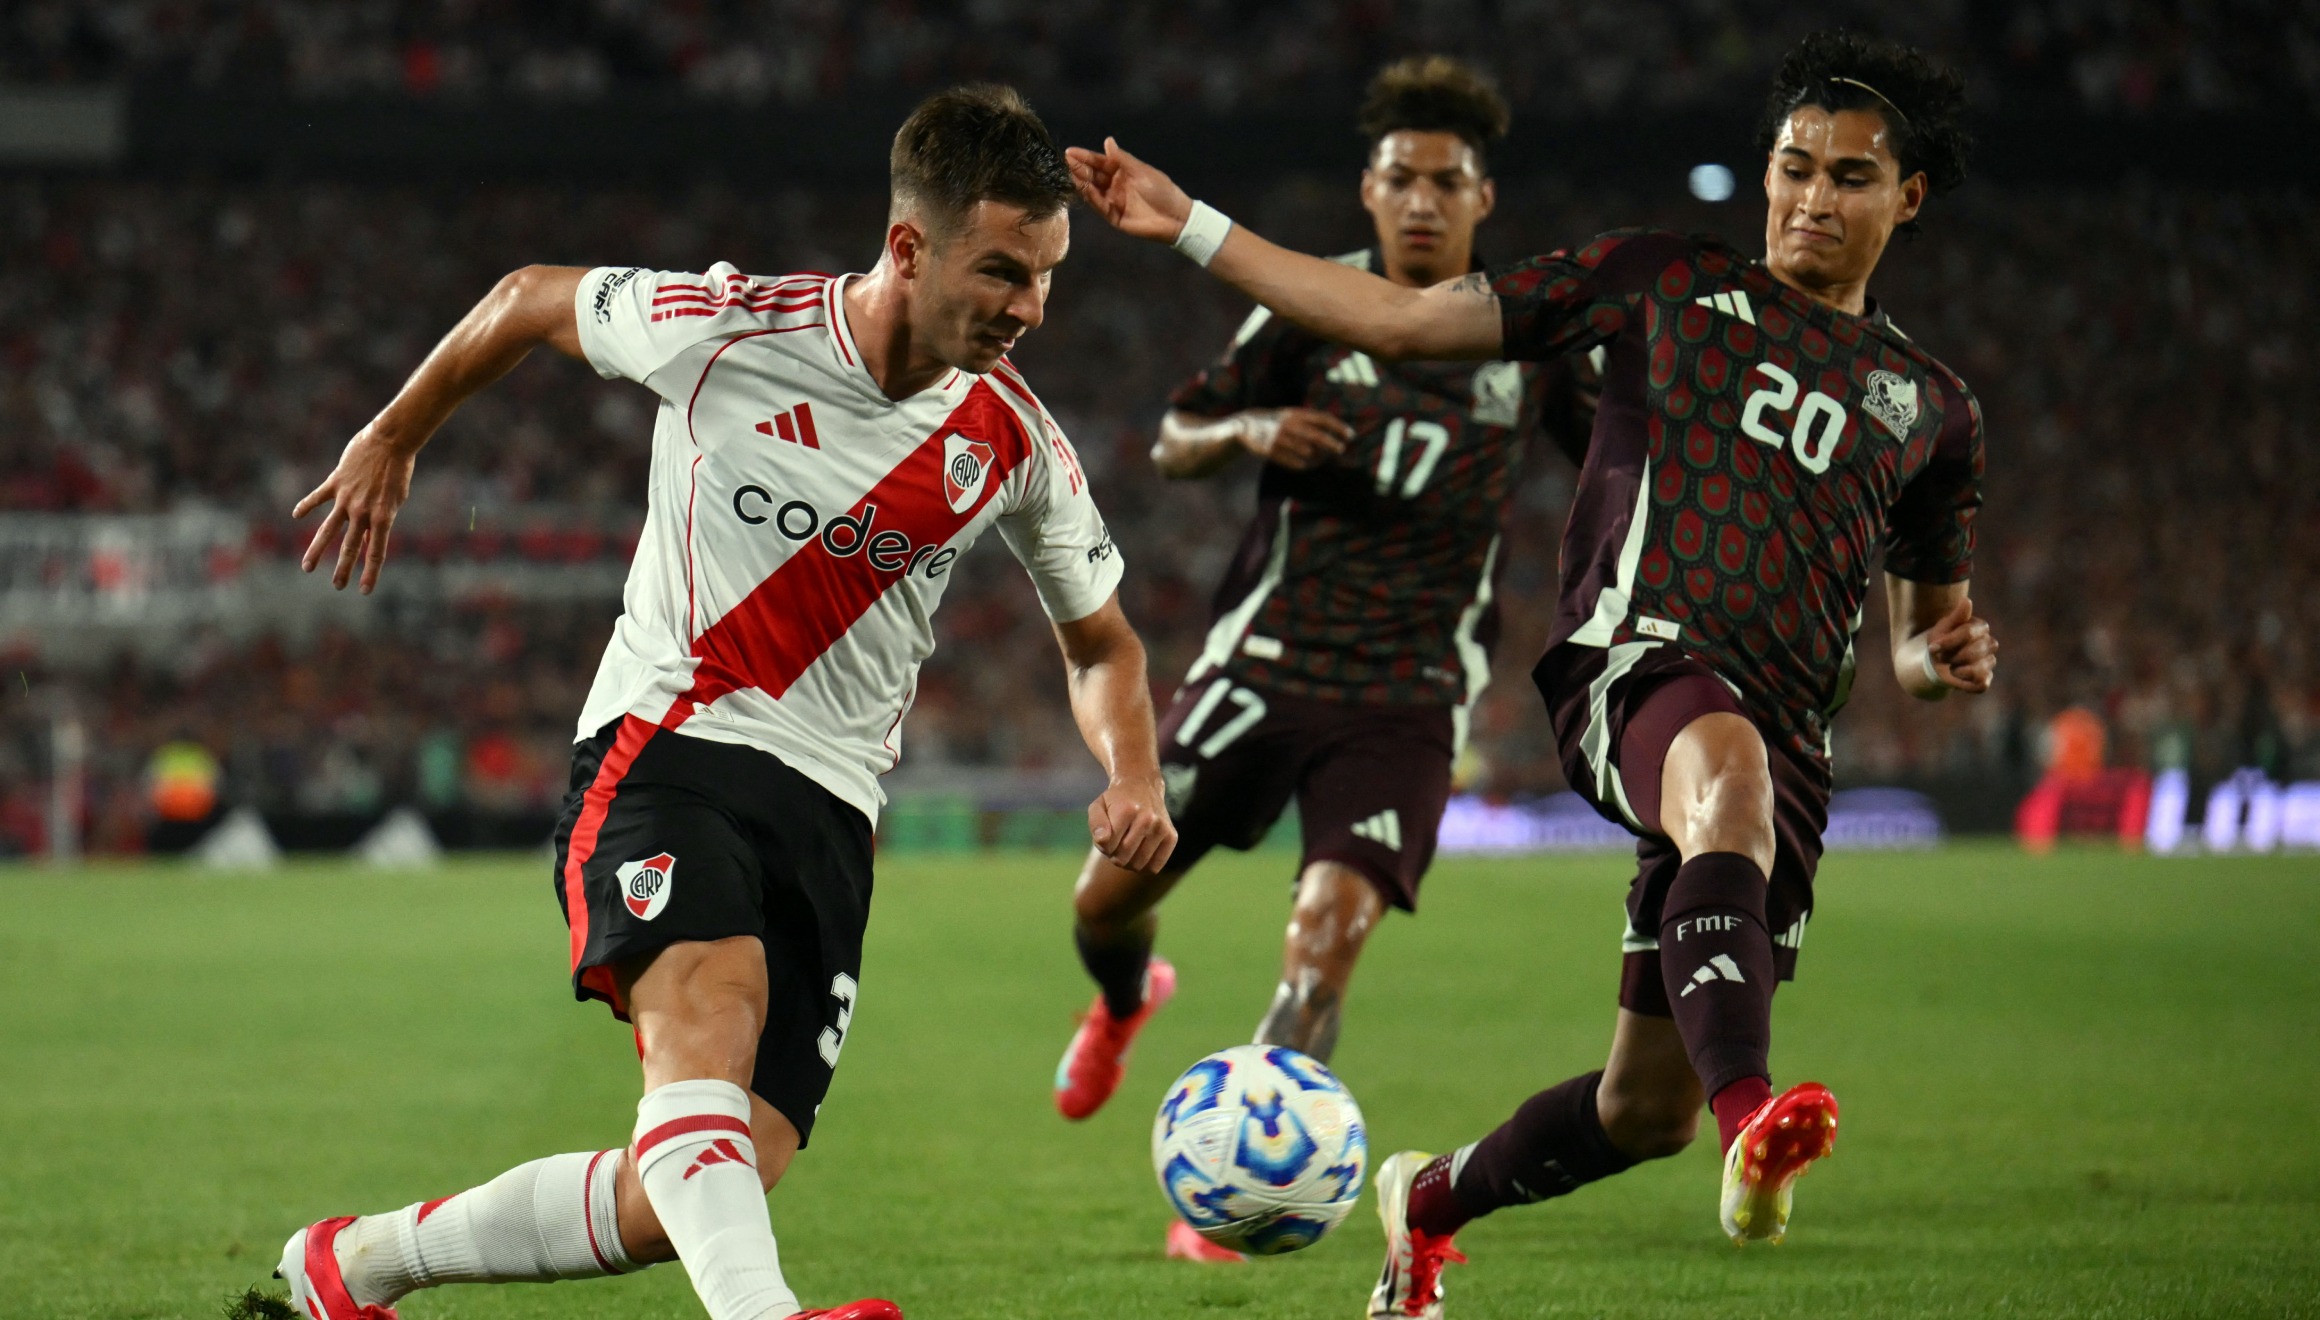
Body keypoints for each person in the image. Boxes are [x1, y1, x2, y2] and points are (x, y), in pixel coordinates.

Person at [1068, 29, 1998, 1316]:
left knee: (1638, 1111)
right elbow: (1396, 314)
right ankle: (1757, 1118)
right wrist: (1191, 227)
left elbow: (1918, 637)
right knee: (1722, 786)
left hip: (1782, 739)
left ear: (1908, 197)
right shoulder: (1657, 282)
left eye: (1847, 178)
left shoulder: (1932, 409)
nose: (1809, 199)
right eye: (1792, 167)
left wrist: (1940, 658)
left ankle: (1431, 1205)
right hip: (1635, 667)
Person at [264, 85, 1175, 1320]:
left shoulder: (1014, 444)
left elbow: (1102, 648)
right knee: (711, 1007)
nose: (1031, 310)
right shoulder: (727, 327)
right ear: (907, 247)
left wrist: (1133, 773)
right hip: (669, 747)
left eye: (1049, 277)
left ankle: (359, 1265)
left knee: (705, 1178)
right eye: (1004, 273)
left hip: (835, 810)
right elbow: (534, 294)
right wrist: (394, 434)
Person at [1047, 55, 1597, 1264]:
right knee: (1105, 898)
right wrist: (1249, 428)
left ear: (1482, 202)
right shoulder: (1304, 306)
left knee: (1328, 937)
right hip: (1269, 664)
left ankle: (1244, 1196)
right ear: (1367, 188)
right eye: (1399, 178)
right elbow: (1174, 437)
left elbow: (1617, 466)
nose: (1419, 201)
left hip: (1405, 697)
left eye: (1444, 183)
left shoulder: (1529, 344)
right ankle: (1127, 997)